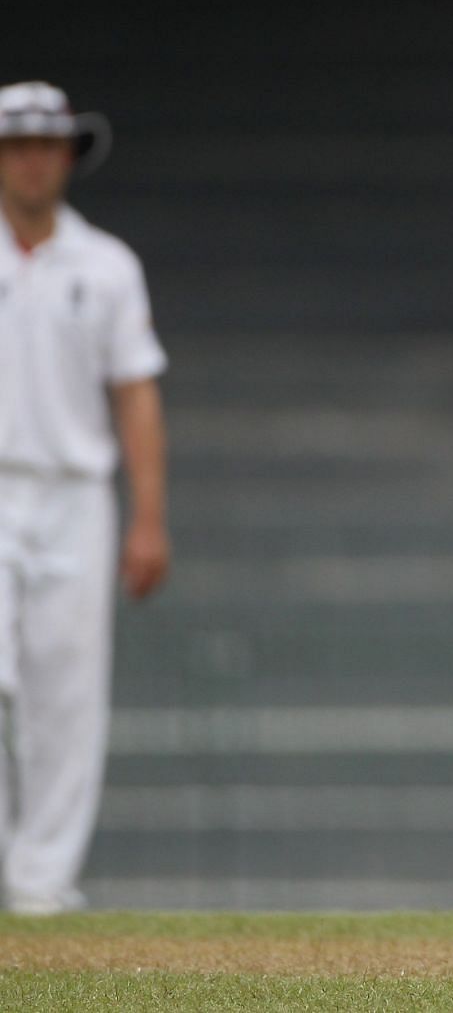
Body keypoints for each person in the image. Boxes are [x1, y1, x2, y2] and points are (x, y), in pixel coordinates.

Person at [0, 80, 170, 916]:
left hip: (74, 493)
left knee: (65, 693)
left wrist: (148, 517)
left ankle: (39, 883)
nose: (32, 159)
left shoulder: (105, 265)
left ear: (68, 155)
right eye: (16, 143)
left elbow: (135, 391)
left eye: (45, 143)